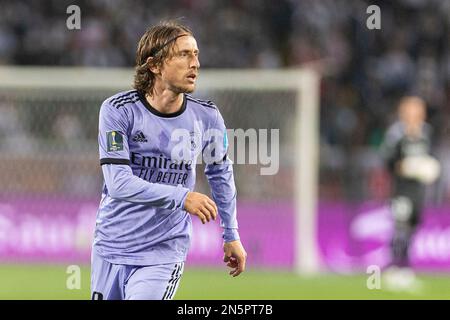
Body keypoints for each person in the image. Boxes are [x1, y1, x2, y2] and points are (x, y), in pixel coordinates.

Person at [91, 21, 247, 300]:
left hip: (163, 251)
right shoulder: (118, 111)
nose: (195, 63)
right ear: (155, 65)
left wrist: (231, 234)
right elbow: (118, 183)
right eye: (184, 54)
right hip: (110, 247)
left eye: (196, 54)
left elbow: (221, 175)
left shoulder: (207, 117)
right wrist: (182, 197)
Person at [381, 96, 440, 290]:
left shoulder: (426, 133)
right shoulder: (396, 134)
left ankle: (404, 269)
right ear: (404, 111)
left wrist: (429, 168)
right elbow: (387, 161)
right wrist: (405, 167)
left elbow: (432, 157)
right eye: (412, 109)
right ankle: (396, 269)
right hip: (401, 190)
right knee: (401, 228)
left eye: (419, 109)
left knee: (412, 228)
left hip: (418, 191)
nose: (416, 114)